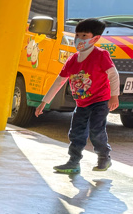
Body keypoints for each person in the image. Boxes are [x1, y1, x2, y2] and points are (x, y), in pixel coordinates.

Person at [36, 18, 119, 174]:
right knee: (76, 133)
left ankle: (104, 157)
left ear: (95, 38)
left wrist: (114, 96)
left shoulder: (101, 55)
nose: (79, 39)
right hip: (81, 104)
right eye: (77, 35)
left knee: (96, 130)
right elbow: (59, 81)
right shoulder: (72, 59)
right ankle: (73, 162)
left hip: (99, 101)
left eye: (84, 36)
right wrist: (44, 102)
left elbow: (113, 75)